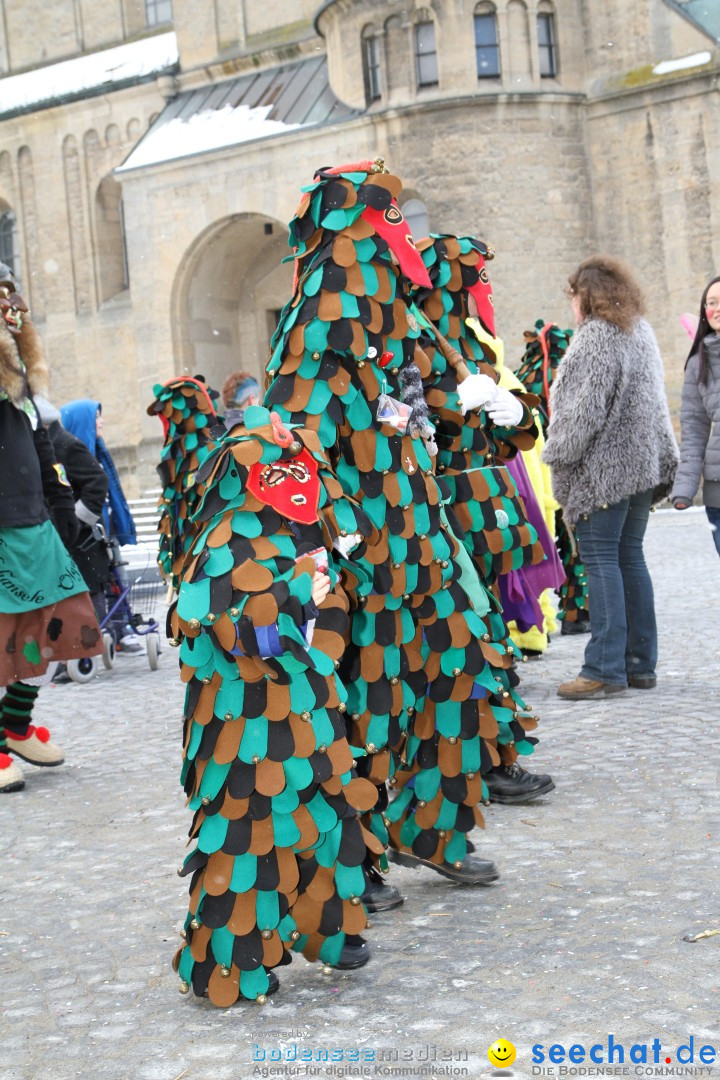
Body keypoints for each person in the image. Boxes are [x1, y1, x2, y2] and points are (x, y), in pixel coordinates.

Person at [171, 407, 377, 1004]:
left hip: (308, 700)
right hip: (244, 714)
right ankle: (232, 959)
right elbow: (224, 629)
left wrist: (321, 600)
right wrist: (292, 601)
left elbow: (338, 600)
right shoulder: (223, 539)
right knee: (246, 831)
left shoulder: (302, 529)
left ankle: (327, 926)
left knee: (331, 806)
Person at [543, 255, 679, 700]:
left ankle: (603, 668)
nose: (572, 307)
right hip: (641, 466)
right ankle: (640, 666)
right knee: (629, 559)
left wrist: (555, 453)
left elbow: (582, 414)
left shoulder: (597, 337)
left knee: (602, 562)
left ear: (586, 295)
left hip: (604, 472)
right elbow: (656, 403)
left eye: (573, 297)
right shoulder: (639, 330)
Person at [0, 269, 102, 793]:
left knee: (49, 631)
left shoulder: (23, 401)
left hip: (35, 529)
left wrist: (65, 516)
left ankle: (15, 725)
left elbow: (45, 461)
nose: (11, 313)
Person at [60, 399, 139, 650]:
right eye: (96, 417)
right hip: (86, 533)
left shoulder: (98, 449)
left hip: (105, 528)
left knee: (115, 577)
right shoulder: (72, 453)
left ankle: (120, 629)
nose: (101, 421)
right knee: (98, 582)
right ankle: (106, 632)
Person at [671, 276, 720, 555]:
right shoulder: (698, 363)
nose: (716, 309)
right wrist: (685, 488)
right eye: (711, 303)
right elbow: (694, 429)